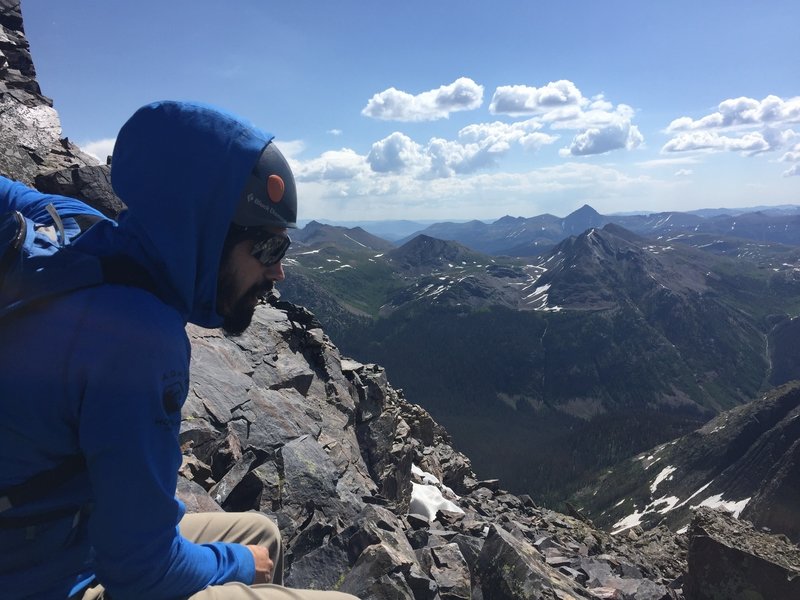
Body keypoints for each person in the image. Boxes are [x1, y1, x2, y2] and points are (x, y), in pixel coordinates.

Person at [0, 101, 358, 600]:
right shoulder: (139, 343)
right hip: (49, 579)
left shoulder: (78, 229)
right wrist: (236, 563)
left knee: (264, 532)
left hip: (58, 533)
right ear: (206, 233)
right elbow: (143, 573)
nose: (278, 272)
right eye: (269, 249)